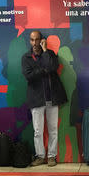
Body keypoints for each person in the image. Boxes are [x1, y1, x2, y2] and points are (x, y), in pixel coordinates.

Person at [21, 30, 68, 167]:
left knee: (53, 129)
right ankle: (40, 156)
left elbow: (53, 67)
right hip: (36, 99)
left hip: (52, 98)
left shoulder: (50, 54)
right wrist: (44, 70)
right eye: (32, 40)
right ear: (29, 41)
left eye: (37, 40)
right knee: (38, 131)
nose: (34, 43)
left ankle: (52, 156)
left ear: (42, 40)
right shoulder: (26, 58)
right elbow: (29, 76)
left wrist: (45, 50)